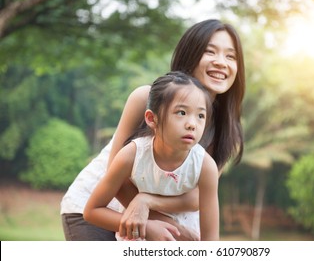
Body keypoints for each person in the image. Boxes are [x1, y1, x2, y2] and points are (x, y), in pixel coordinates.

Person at [60, 18, 245, 241]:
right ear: (191, 56)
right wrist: (157, 222)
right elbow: (116, 176)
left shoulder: (226, 129)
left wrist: (147, 204)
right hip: (96, 207)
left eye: (230, 56)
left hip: (149, 220)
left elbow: (198, 197)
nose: (221, 62)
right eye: (210, 52)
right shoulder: (146, 98)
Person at [84, 72, 219, 241]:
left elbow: (211, 240)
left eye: (200, 116)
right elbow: (91, 211)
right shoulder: (132, 155)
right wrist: (147, 227)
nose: (192, 124)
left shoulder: (205, 166)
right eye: (181, 112)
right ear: (151, 118)